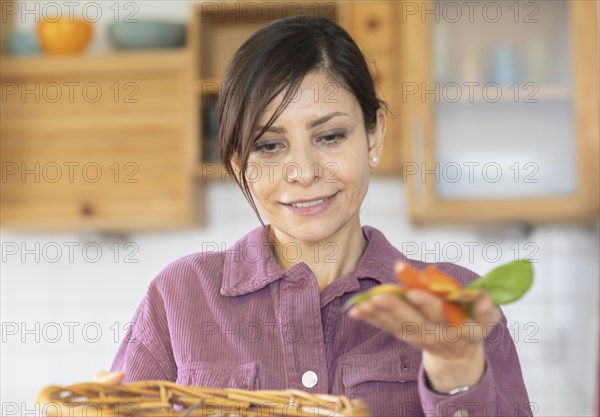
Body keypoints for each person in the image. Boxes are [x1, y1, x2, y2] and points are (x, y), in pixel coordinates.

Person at [96, 16, 533, 416]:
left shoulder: (456, 304)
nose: (303, 172)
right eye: (269, 146)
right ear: (235, 163)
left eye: (329, 136)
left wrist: (457, 375)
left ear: (374, 135)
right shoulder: (180, 296)